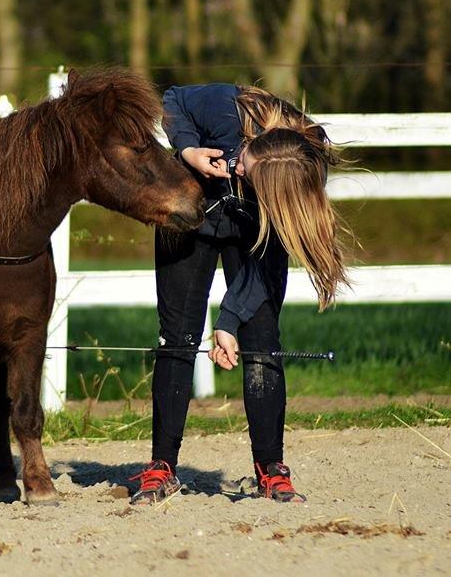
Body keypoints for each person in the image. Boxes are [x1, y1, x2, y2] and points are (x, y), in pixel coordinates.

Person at [129, 83, 350, 504]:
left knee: (262, 341)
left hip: (255, 229)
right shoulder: (228, 112)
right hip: (191, 216)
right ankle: (162, 466)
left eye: (248, 174)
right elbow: (173, 99)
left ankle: (271, 470)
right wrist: (188, 151)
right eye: (244, 162)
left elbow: (259, 272)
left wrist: (228, 322)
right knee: (177, 336)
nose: (239, 170)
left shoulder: (301, 175)